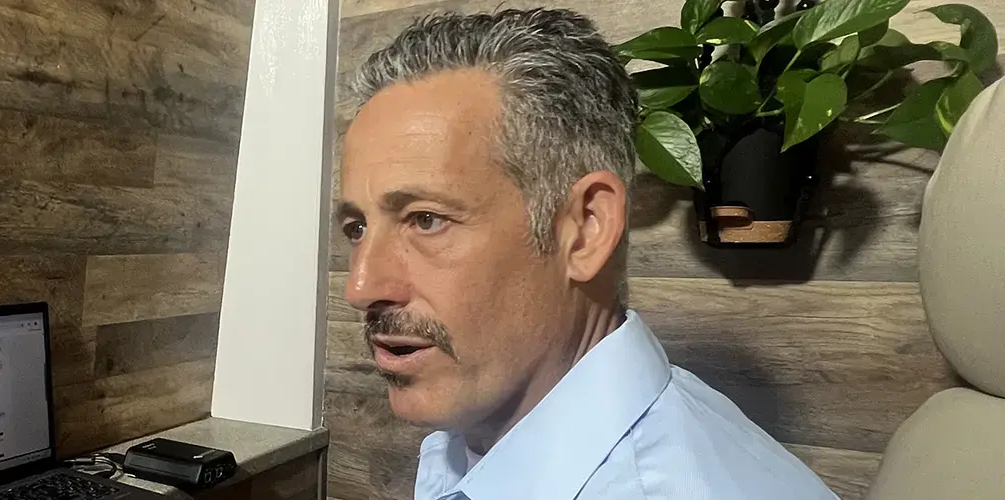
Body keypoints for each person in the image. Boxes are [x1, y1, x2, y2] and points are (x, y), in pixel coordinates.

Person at [337, 8, 839, 500]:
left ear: (585, 230)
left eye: (426, 219)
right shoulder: (470, 436)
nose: (360, 287)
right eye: (357, 227)